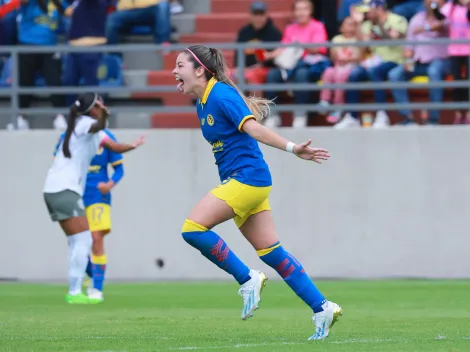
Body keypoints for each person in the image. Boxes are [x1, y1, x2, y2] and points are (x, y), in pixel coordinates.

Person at [172, 44, 342, 341]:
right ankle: (323, 307)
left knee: (193, 229)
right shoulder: (202, 101)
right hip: (248, 181)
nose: (174, 71)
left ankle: (247, 278)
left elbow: (255, 130)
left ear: (200, 70)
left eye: (180, 65)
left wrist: (293, 149)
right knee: (272, 253)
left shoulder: (220, 94)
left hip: (247, 180)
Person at [44, 92, 144, 304]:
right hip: (65, 190)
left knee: (78, 240)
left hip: (60, 191)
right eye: (99, 103)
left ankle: (88, 287)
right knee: (84, 240)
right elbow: (97, 126)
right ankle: (75, 291)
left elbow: (114, 147)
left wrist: (133, 146)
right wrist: (103, 117)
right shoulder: (84, 124)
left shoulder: (85, 130)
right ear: (94, 108)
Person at [53, 127, 125, 302]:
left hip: (98, 196)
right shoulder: (68, 136)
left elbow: (119, 170)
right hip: (74, 194)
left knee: (96, 238)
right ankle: (93, 275)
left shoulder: (106, 137)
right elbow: (58, 164)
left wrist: (110, 184)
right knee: (75, 242)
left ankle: (97, 289)